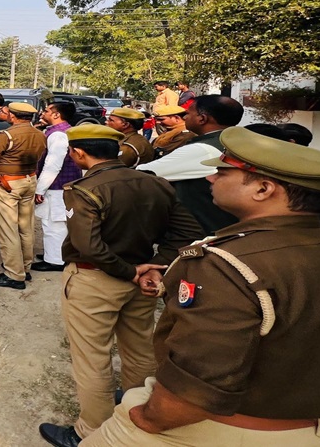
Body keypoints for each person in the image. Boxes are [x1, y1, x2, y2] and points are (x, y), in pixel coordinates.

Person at [80, 127, 320, 447]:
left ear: (263, 189)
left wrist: (146, 418)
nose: (210, 178)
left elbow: (197, 387)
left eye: (224, 171)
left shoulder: (225, 265)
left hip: (232, 429)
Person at [37, 125, 202, 447]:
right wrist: (155, 268)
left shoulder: (85, 188)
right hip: (143, 280)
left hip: (98, 279)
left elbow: (89, 247)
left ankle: (91, 431)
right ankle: (137, 415)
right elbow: (187, 231)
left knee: (92, 358)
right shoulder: (156, 183)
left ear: (79, 153)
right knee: (140, 350)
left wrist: (129, 271)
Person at [137, 95, 244, 235]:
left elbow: (140, 174)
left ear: (202, 118)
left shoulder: (202, 149)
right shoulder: (237, 140)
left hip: (200, 231)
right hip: (229, 224)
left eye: (187, 114)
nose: (184, 118)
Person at [0, 102, 47, 290]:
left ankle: (13, 274)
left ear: (12, 116)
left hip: (7, 184)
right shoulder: (40, 134)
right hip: (29, 179)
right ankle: (24, 267)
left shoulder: (7, 135)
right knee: (26, 227)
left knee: (7, 229)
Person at [31, 101, 81, 272]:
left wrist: (40, 189)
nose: (42, 113)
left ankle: (56, 260)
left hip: (58, 186)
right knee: (56, 223)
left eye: (46, 111)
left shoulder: (58, 135)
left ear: (56, 114)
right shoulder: (66, 131)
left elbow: (53, 165)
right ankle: (53, 255)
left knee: (54, 223)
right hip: (63, 185)